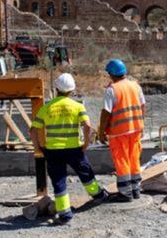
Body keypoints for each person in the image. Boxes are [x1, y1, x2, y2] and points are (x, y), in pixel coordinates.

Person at [30, 73, 107, 224]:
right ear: (71, 90)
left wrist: (38, 147)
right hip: (74, 149)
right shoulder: (77, 106)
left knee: (59, 180)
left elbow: (33, 130)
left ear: (56, 89)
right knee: (85, 172)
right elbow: (88, 126)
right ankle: (98, 195)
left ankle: (65, 213)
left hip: (52, 151)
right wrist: (86, 143)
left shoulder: (47, 107)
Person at [98, 59, 146, 202]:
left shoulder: (112, 90)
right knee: (134, 159)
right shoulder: (136, 86)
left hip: (119, 132)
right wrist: (140, 123)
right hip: (136, 129)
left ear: (112, 74)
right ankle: (136, 189)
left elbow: (106, 112)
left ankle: (125, 193)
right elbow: (143, 106)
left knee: (122, 160)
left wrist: (102, 131)